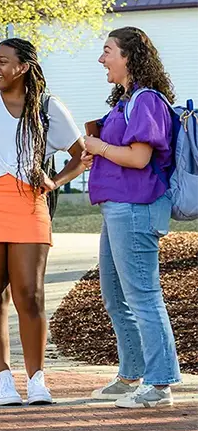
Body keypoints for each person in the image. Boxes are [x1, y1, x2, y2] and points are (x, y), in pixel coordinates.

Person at [0, 38, 85, 406]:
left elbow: (81, 156)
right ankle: (3, 380)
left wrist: (54, 181)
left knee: (31, 294)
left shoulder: (48, 107)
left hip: (29, 203)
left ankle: (37, 379)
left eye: (3, 62)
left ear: (23, 67)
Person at [83, 26, 180, 408]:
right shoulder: (125, 103)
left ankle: (159, 385)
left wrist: (100, 146)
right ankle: (131, 375)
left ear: (129, 56)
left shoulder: (146, 100)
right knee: (116, 295)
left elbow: (139, 159)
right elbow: (121, 154)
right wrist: (97, 151)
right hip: (117, 209)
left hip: (136, 209)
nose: (101, 59)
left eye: (108, 51)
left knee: (143, 296)